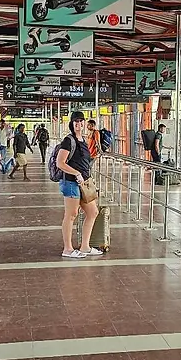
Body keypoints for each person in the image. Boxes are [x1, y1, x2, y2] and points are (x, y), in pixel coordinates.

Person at [57, 111, 102, 259]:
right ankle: (68, 249)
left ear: (84, 123)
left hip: (84, 183)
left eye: (81, 121)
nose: (79, 123)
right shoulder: (68, 141)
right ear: (72, 123)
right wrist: (76, 173)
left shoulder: (83, 139)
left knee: (93, 212)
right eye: (76, 121)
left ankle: (85, 247)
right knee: (71, 215)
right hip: (70, 182)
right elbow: (60, 163)